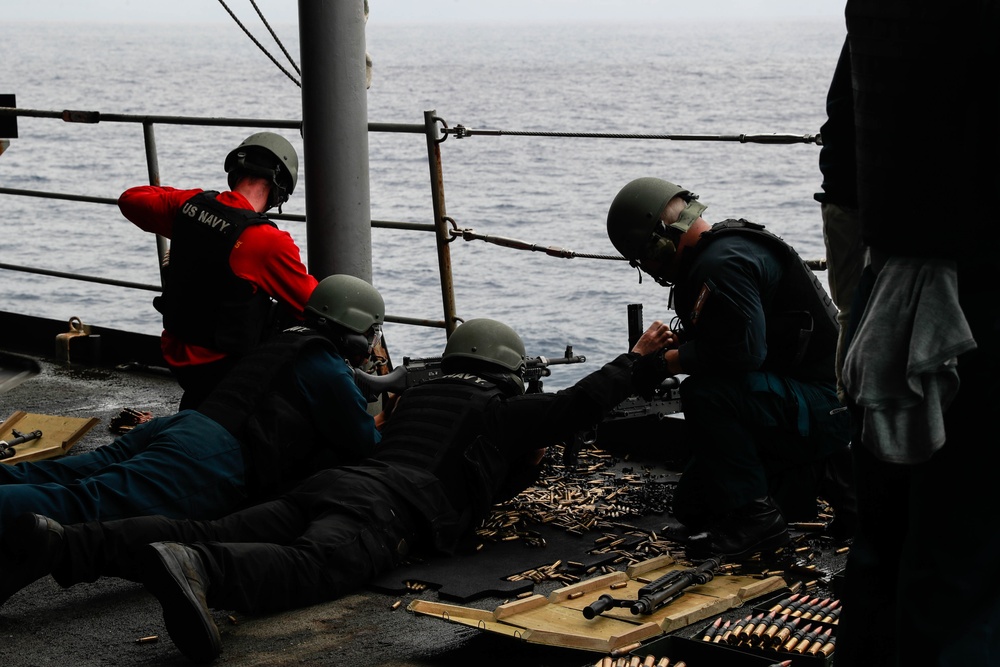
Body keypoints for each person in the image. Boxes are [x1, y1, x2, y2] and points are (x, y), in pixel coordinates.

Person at [0, 317, 672, 664]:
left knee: (211, 525)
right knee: (313, 564)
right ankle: (201, 572)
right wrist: (636, 362)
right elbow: (576, 406)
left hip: (338, 482)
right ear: (505, 376)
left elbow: (474, 464)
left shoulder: (423, 396)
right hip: (387, 508)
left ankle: (65, 546)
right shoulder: (499, 409)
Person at [833, 2, 1000, 665]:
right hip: (977, 294)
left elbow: (843, 146)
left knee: (886, 551)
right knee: (967, 567)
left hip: (894, 279)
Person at [0, 274, 385, 533]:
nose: (371, 343)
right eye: (371, 333)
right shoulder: (331, 370)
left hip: (184, 426)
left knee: (66, 472)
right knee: (84, 503)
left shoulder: (289, 338)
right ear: (353, 330)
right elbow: (365, 445)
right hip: (211, 458)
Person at [605, 177, 852, 560]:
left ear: (659, 243)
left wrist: (664, 362)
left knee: (705, 394)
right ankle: (837, 482)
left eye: (645, 258)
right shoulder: (723, 250)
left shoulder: (721, 263)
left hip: (825, 404)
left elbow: (742, 354)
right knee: (695, 508)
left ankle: (761, 522)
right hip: (810, 397)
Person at [119, 131, 317, 410]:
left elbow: (130, 198)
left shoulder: (187, 206)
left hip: (176, 350)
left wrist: (191, 208)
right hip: (221, 365)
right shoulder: (268, 242)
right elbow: (314, 306)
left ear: (234, 171)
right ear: (280, 189)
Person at [815, 37, 867, 405]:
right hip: (858, 197)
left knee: (850, 313)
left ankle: (850, 404)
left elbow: (838, 115)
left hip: (843, 192)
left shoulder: (866, 28)